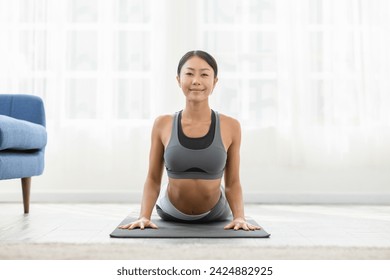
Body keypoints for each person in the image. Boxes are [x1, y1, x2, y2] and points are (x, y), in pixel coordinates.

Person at [119, 50, 260, 231]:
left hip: (216, 212)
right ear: (178, 80)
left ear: (215, 82)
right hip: (171, 211)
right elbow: (153, 179)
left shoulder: (231, 126)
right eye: (189, 73)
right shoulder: (162, 124)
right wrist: (144, 217)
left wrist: (239, 217)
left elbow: (232, 182)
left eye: (204, 74)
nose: (196, 81)